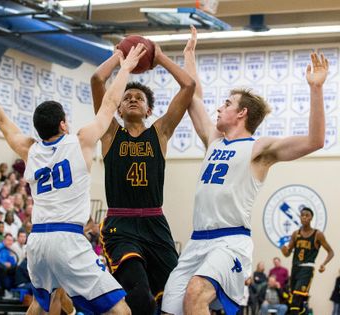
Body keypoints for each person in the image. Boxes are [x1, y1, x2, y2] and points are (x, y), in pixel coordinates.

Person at [0, 46, 147, 314]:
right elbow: (110, 104)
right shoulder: (80, 142)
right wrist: (124, 68)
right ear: (63, 124)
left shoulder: (29, 149)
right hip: (67, 237)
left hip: (38, 241)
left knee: (45, 304)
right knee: (120, 308)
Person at [161, 26, 329, 315]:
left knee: (195, 293)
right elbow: (194, 97)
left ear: (242, 113)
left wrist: (315, 89)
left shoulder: (258, 149)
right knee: (169, 309)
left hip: (230, 241)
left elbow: (314, 141)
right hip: (197, 240)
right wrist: (189, 55)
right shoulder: (214, 140)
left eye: (227, 104)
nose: (218, 109)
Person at [91, 38, 195, 314]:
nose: (132, 99)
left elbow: (189, 86)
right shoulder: (110, 133)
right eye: (126, 98)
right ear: (117, 108)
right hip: (120, 224)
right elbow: (97, 80)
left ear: (149, 110)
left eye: (139, 98)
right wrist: (119, 57)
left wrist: (159, 57)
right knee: (140, 299)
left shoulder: (159, 133)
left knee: (177, 297)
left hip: (155, 223)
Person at [281, 206, 334, 314]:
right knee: (297, 301)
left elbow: (331, 252)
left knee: (296, 298)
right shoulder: (296, 234)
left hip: (307, 269)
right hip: (295, 268)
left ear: (311, 218)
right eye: (302, 215)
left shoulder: (317, 234)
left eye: (307, 215)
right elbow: (287, 254)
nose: (304, 217)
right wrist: (283, 249)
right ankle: (303, 311)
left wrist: (324, 264)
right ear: (300, 217)